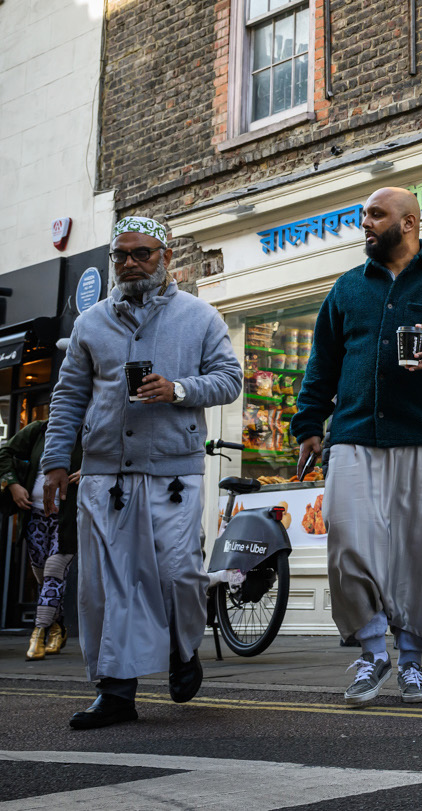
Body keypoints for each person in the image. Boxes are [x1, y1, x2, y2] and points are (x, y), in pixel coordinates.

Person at [292, 188, 422, 707]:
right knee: (347, 546)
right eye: (363, 214)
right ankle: (371, 647)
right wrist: (308, 423)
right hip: (355, 437)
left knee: (419, 556)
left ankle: (409, 660)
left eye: (375, 215)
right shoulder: (346, 288)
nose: (365, 223)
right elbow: (322, 363)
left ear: (408, 222)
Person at [40, 217, 243, 729]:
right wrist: (56, 462)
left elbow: (229, 380)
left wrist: (177, 390)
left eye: (142, 254)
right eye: (121, 255)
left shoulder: (200, 317)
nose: (130, 264)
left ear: (166, 257)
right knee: (108, 586)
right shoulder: (90, 324)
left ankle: (182, 648)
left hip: (173, 470)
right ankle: (115, 692)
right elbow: (68, 398)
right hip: (105, 474)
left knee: (177, 572)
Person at [0, 407, 82, 660]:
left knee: (54, 570)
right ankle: (58, 626)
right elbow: (5, 452)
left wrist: (92, 470)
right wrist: (13, 485)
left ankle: (39, 630)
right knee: (41, 573)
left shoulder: (90, 433)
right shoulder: (40, 429)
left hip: (69, 518)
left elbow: (115, 456)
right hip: (35, 514)